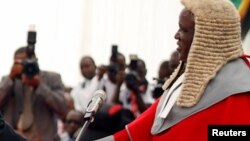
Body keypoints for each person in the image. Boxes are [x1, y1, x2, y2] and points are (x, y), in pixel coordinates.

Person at [97, 0, 250, 140]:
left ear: (206, 37)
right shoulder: (185, 80)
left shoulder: (240, 88)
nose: (176, 36)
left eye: (183, 30)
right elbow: (138, 132)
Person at [0, 47, 67, 141]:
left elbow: (62, 108)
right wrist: (11, 78)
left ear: (35, 61)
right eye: (20, 63)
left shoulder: (52, 78)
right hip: (13, 136)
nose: (24, 66)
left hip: (43, 137)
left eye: (26, 62)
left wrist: (39, 86)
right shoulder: (9, 80)